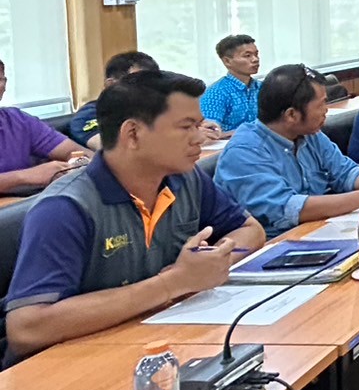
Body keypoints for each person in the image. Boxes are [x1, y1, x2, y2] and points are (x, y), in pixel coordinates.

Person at [2, 70, 266, 364]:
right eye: (186, 127)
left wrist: (215, 261)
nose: (199, 138)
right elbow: (27, 329)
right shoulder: (64, 208)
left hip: (153, 343)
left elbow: (250, 229)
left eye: (199, 125)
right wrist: (172, 284)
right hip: (70, 367)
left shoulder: (186, 178)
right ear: (133, 134)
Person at [214, 64, 359, 237]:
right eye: (321, 104)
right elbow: (290, 209)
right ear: (291, 115)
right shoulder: (244, 152)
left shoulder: (310, 134)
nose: (326, 110)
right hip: (275, 244)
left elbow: (345, 172)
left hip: (319, 230)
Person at [0, 57, 89, 194]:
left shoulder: (18, 120)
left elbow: (75, 152)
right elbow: (31, 176)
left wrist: (77, 164)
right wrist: (25, 176)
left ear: (5, 84)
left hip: (24, 203)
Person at [69, 51, 158, 151]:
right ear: (111, 85)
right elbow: (115, 150)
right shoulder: (90, 114)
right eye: (136, 82)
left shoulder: (158, 110)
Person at [200, 34, 262, 136]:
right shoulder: (217, 93)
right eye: (247, 56)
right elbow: (209, 131)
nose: (255, 59)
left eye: (256, 54)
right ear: (227, 61)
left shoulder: (263, 88)